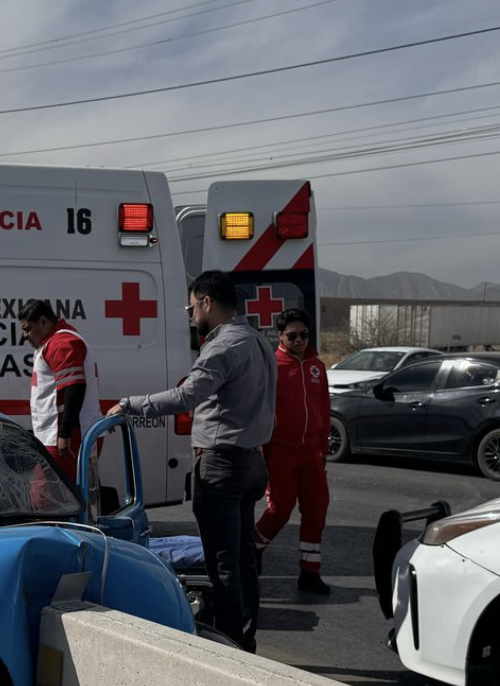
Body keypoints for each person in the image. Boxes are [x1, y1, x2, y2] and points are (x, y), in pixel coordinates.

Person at [108, 270, 276, 652]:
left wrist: (133, 405)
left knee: (223, 563)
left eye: (190, 306)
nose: (190, 315)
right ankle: (246, 639)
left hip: (222, 465)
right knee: (243, 558)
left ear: (207, 302)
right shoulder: (259, 342)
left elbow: (187, 396)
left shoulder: (223, 346)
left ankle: (230, 648)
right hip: (251, 462)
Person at [254, 309, 332, 595]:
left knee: (317, 510)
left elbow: (324, 408)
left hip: (311, 453)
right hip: (280, 452)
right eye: (292, 335)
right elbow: (260, 409)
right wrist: (262, 450)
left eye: (304, 335)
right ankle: (253, 548)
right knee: (280, 509)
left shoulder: (316, 366)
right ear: (280, 336)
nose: (299, 340)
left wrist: (322, 451)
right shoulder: (271, 365)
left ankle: (309, 573)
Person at [22, 298, 102, 482]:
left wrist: (64, 434)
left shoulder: (61, 343)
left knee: (48, 501)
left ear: (44, 322)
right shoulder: (58, 341)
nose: (25, 336)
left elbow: (74, 386)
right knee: (68, 499)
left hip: (66, 438)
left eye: (27, 329)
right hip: (58, 436)